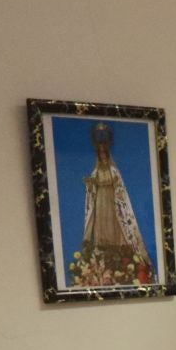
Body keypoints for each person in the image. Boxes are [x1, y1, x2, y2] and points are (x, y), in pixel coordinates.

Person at [72, 121, 154, 287]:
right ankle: (102, 247)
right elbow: (93, 185)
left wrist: (108, 183)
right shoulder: (97, 171)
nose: (102, 157)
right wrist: (90, 183)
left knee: (114, 223)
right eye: (100, 155)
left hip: (111, 200)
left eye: (104, 155)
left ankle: (118, 247)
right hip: (101, 200)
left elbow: (117, 185)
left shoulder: (113, 170)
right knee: (101, 225)